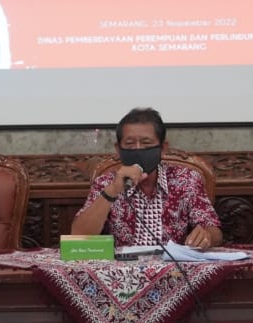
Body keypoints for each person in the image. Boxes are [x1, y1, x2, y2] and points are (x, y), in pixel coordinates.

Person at [72, 107, 222, 250]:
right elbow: (79, 237)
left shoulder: (186, 179)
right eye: (130, 144)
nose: (138, 149)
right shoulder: (105, 183)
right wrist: (112, 191)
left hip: (172, 265)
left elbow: (213, 230)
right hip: (123, 266)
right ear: (118, 149)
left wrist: (206, 236)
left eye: (146, 143)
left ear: (163, 148)